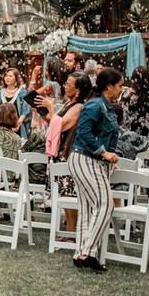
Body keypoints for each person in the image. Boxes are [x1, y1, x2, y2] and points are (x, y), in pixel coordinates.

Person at [69, 67, 124, 273]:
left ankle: (80, 253)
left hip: (92, 161)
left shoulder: (106, 106)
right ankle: (88, 253)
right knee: (105, 204)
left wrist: (109, 156)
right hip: (85, 159)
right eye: (119, 85)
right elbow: (83, 133)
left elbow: (108, 135)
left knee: (88, 208)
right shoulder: (95, 105)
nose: (121, 89)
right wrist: (103, 152)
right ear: (109, 86)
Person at [43, 72, 94, 237]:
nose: (65, 85)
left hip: (69, 150)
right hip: (61, 150)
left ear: (78, 90)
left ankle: (73, 232)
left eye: (68, 84)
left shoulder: (79, 107)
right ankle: (70, 231)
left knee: (69, 192)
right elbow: (53, 123)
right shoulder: (67, 103)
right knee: (64, 192)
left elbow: (62, 125)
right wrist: (44, 110)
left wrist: (51, 108)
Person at [0, 67, 31, 138]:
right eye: (6, 76)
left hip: (17, 127)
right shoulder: (0, 92)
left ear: (16, 78)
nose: (7, 78)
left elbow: (26, 110)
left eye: (10, 76)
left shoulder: (22, 92)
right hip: (2, 127)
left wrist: (18, 124)